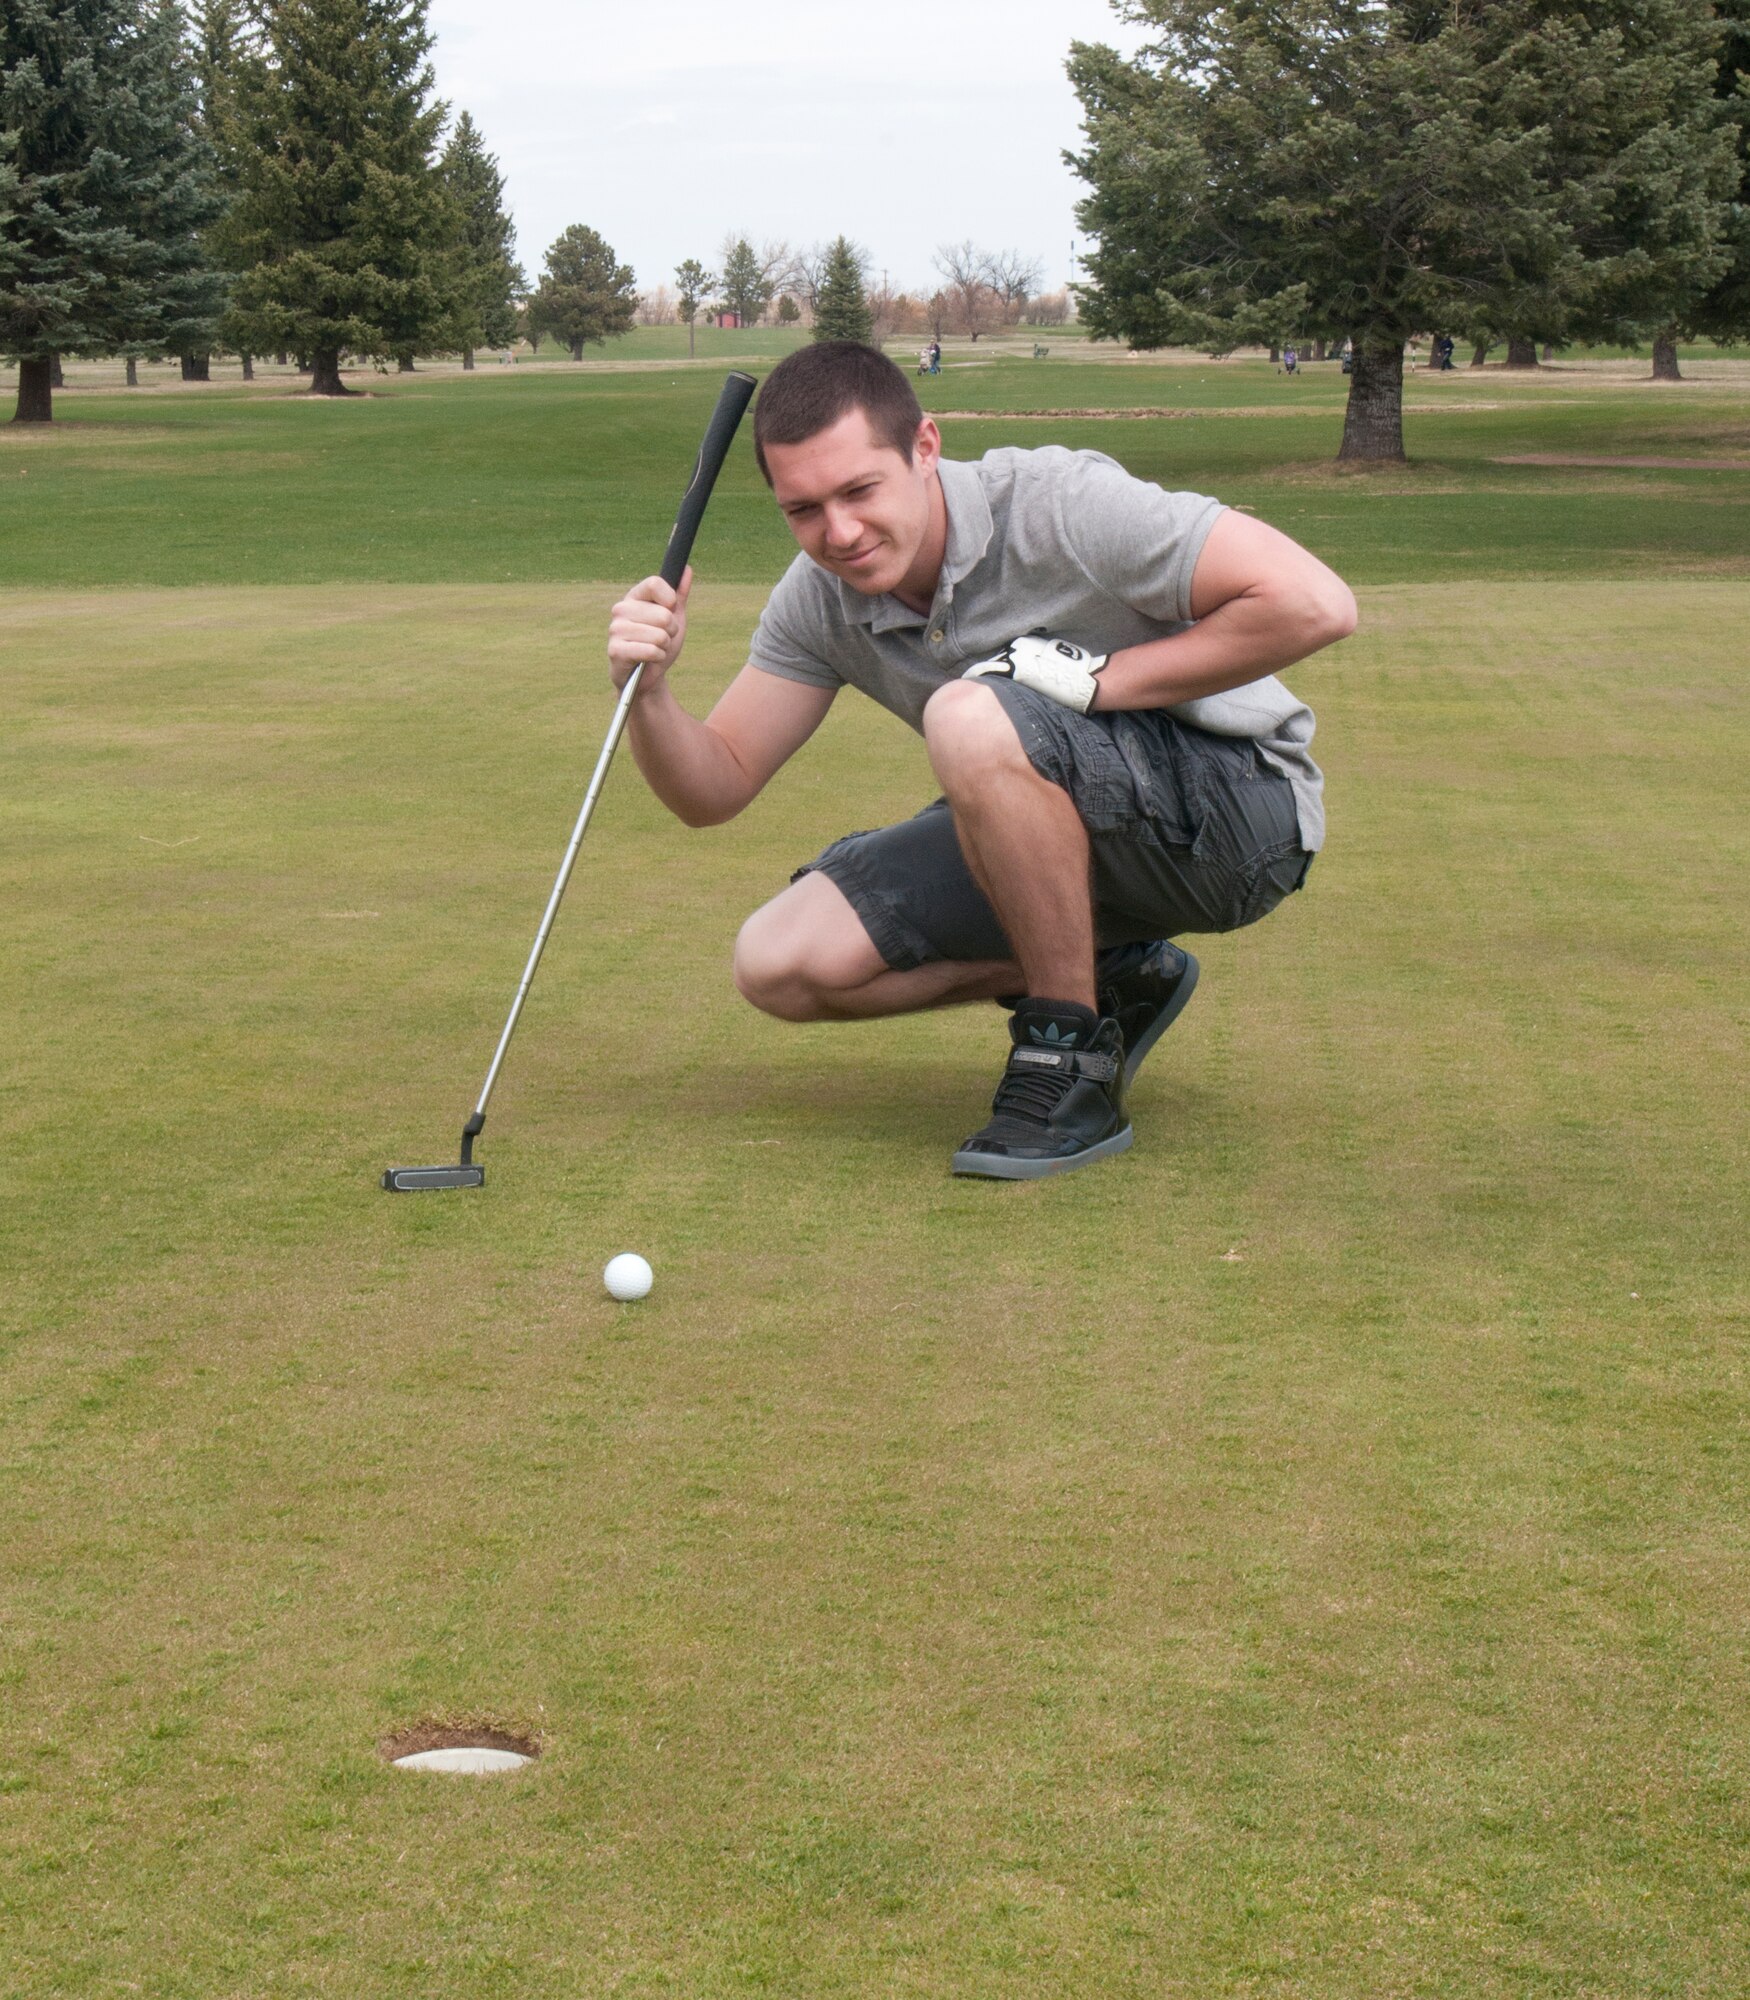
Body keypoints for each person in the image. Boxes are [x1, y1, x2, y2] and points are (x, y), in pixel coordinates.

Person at [607, 343, 1355, 1180]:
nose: (840, 534)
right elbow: (716, 785)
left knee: (963, 713)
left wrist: (1097, 682)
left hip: (1242, 816)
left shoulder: (1060, 503)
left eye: (859, 490)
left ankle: (1066, 1052)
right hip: (1076, 819)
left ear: (924, 447)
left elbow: (1315, 603)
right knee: (780, 962)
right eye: (804, 509)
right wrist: (652, 695)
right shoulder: (820, 597)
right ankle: (1117, 979)